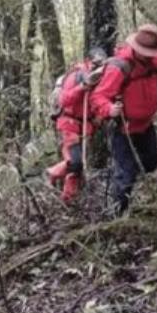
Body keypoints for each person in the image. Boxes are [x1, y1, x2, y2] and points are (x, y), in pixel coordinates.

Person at [90, 24, 157, 216]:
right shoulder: (120, 67)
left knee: (152, 162)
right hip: (124, 130)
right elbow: (98, 97)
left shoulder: (154, 61)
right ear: (137, 49)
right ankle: (116, 217)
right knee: (125, 176)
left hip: (146, 126)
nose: (151, 55)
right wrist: (109, 109)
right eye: (148, 52)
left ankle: (142, 198)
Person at [46, 47, 108, 203]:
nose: (98, 68)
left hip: (85, 125)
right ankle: (52, 173)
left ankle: (69, 200)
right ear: (88, 62)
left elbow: (99, 101)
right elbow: (64, 100)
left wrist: (99, 117)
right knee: (75, 162)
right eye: (95, 64)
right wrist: (82, 87)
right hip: (69, 124)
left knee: (77, 168)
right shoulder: (77, 76)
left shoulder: (103, 78)